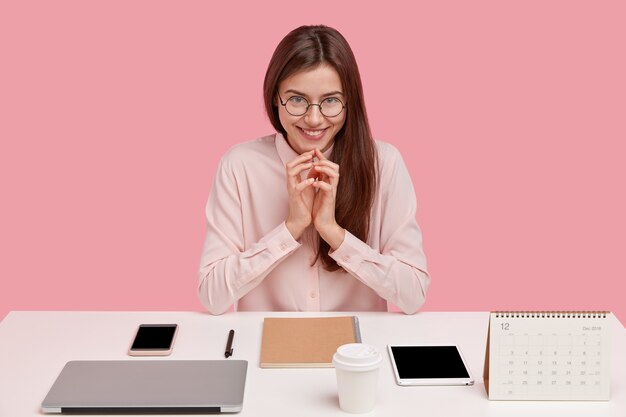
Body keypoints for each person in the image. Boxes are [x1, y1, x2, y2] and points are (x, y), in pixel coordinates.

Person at [198, 25, 430, 315]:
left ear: (349, 102)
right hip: (263, 348)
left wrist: (333, 232)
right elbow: (211, 295)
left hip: (356, 354)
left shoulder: (383, 163)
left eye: (331, 100)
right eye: (297, 100)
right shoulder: (240, 165)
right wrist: (290, 228)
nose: (314, 118)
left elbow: (414, 294)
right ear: (275, 97)